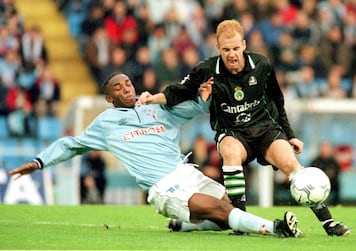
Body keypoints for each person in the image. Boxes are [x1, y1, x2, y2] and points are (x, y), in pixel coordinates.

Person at [8, 72, 302, 238]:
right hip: (163, 187)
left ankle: (184, 225)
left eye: (127, 83)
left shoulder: (157, 108)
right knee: (224, 212)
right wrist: (39, 161)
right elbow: (71, 144)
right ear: (109, 98)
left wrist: (203, 96)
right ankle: (275, 228)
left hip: (187, 172)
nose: (127, 88)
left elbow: (195, 108)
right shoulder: (105, 124)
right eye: (118, 88)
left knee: (230, 209)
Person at [137, 19, 350, 237]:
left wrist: (290, 135)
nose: (231, 54)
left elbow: (278, 102)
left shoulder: (262, 65)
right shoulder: (207, 69)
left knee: (291, 164)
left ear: (244, 44)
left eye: (236, 48)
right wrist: (153, 98)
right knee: (230, 151)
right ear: (218, 47)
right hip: (233, 133)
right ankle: (241, 222)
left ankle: (329, 223)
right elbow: (179, 91)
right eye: (226, 49)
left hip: (265, 129)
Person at [310, 141, 341, 206]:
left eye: (327, 147)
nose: (325, 149)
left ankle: (336, 204)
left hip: (331, 183)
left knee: (337, 184)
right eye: (323, 147)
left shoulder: (334, 161)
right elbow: (310, 172)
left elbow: (337, 172)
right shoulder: (315, 161)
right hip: (317, 184)